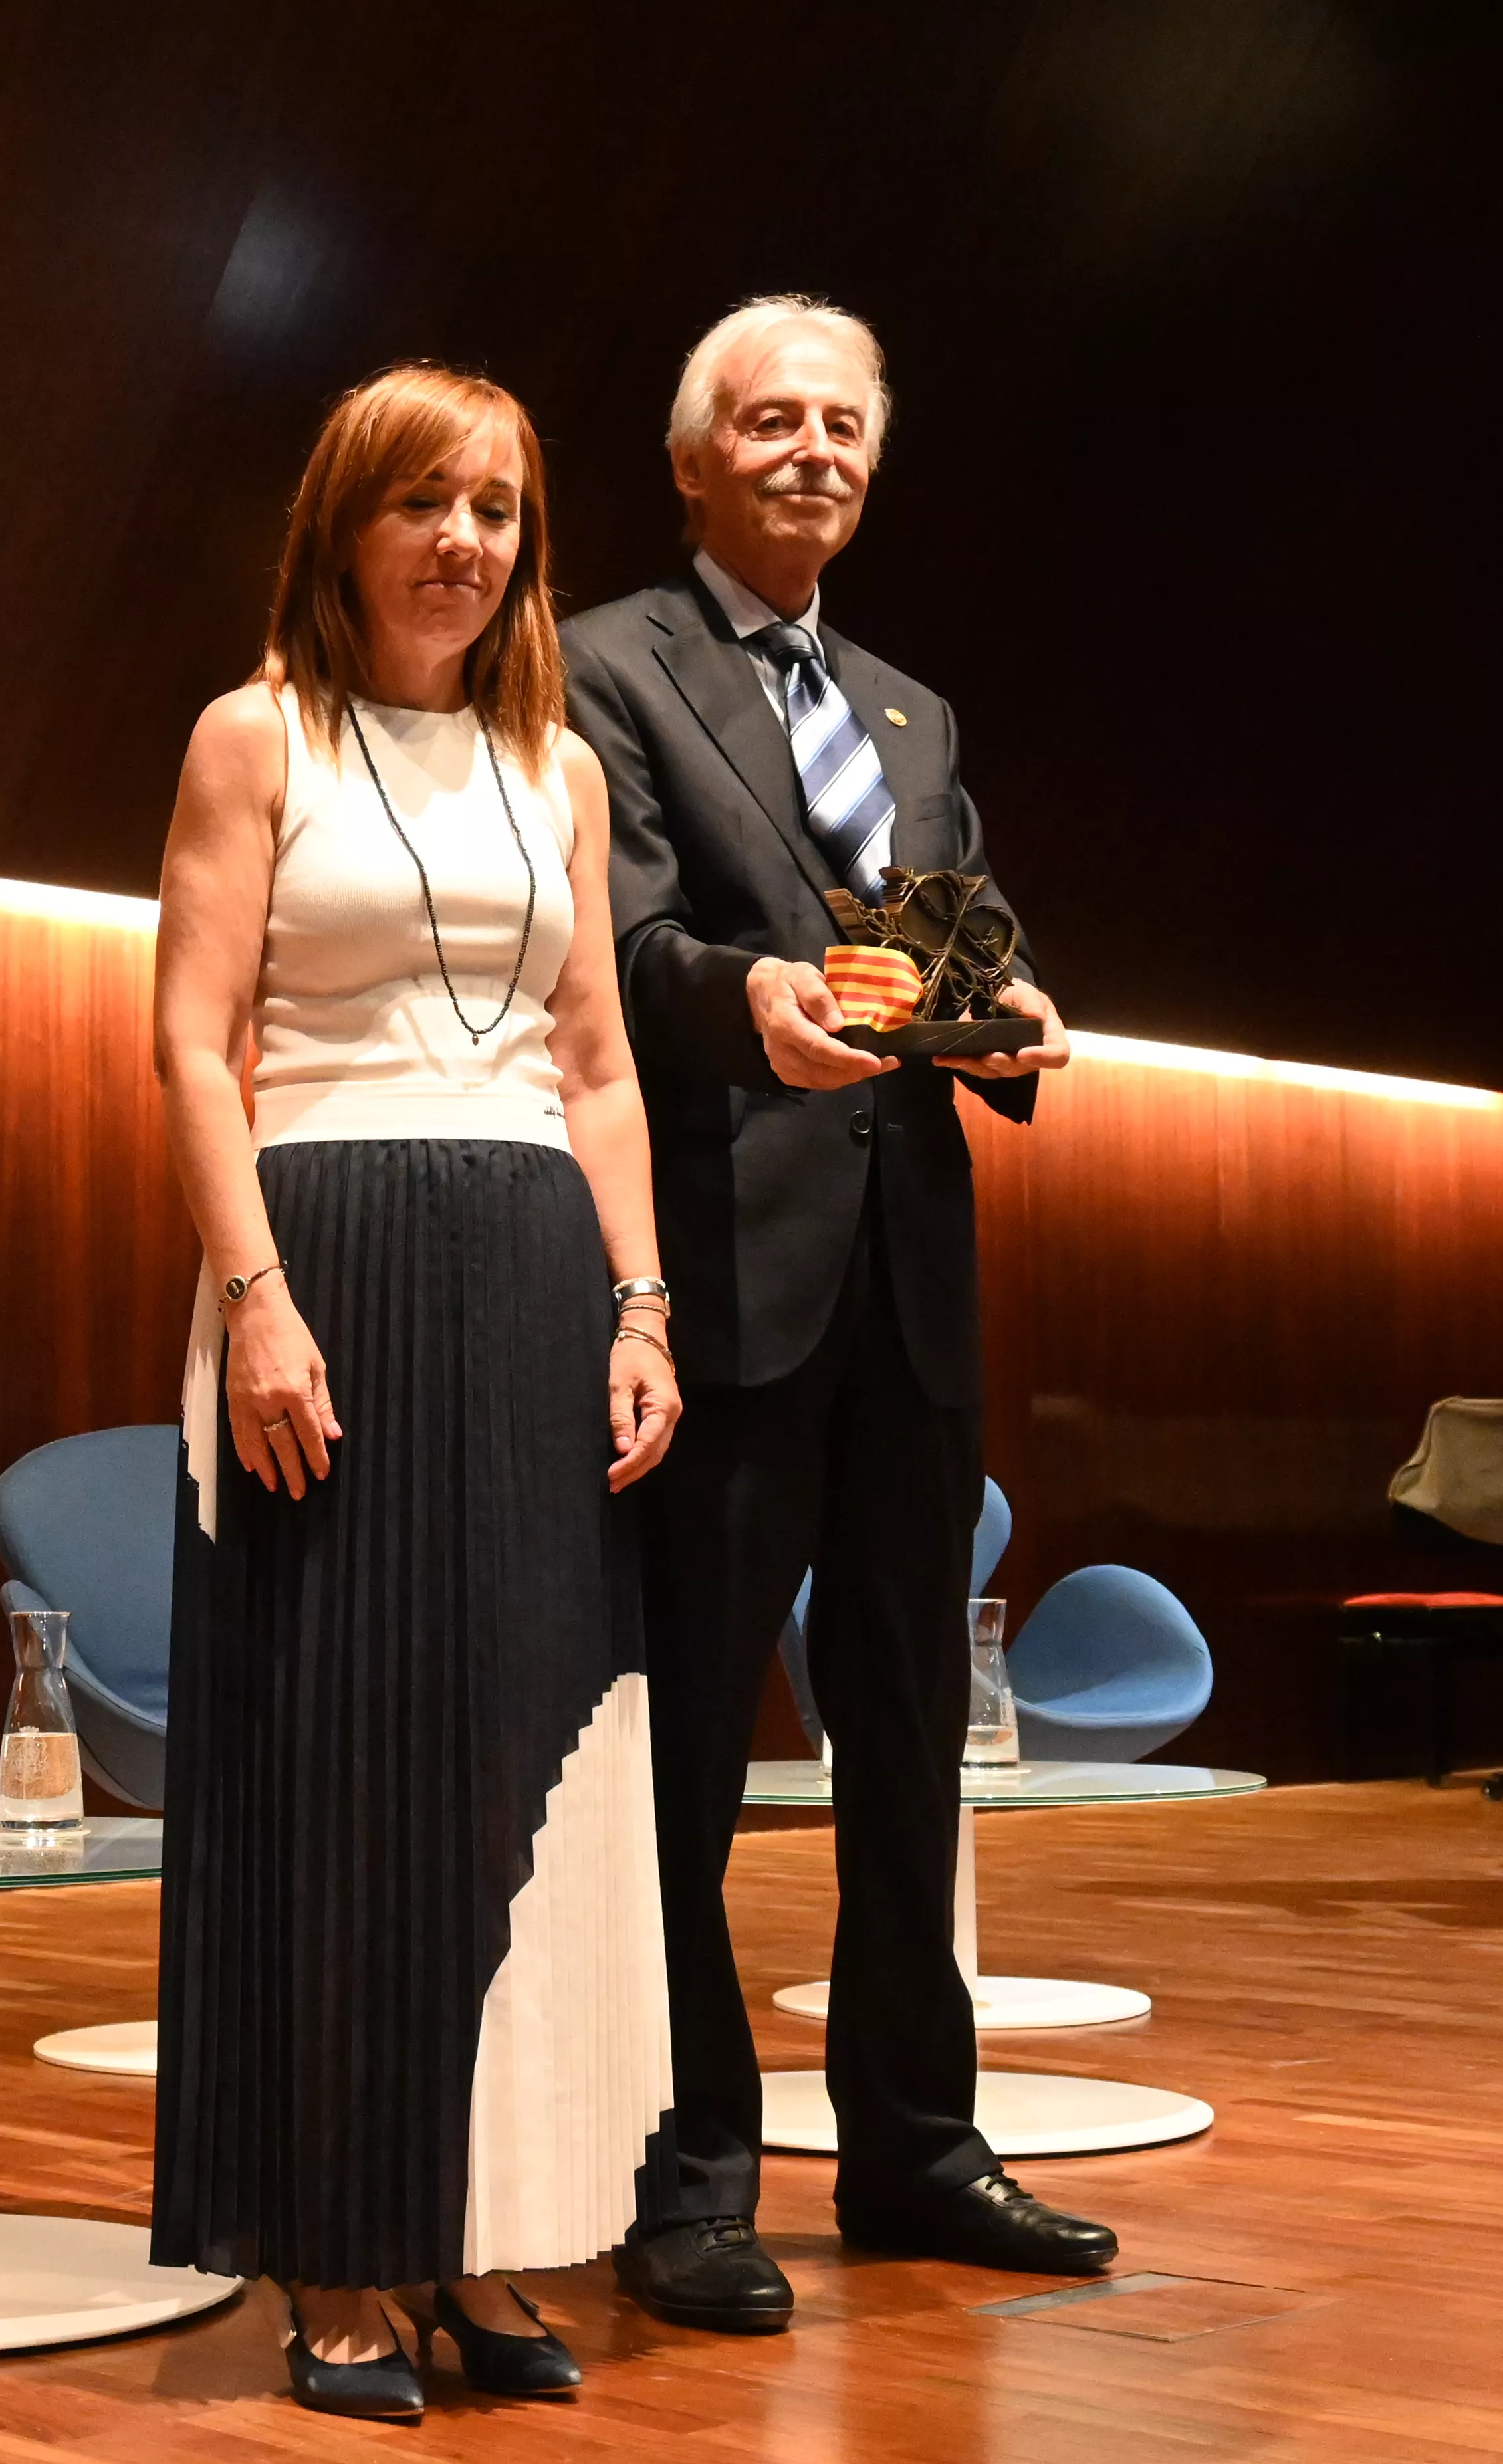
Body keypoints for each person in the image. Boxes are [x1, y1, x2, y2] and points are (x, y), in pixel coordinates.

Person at [561, 294, 1107, 2336]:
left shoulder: (910, 708)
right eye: (768, 420)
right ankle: (680, 2170)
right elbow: (616, 942)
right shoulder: (602, 663)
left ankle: (913, 2148)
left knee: (907, 1741)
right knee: (686, 1749)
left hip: (908, 1279)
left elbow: (954, 933)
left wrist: (1021, 1010)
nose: (811, 450)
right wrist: (743, 1009)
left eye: (841, 425)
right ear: (693, 456)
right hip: (707, 1271)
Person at [148, 363, 683, 2421]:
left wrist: (638, 1309)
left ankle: (480, 2225)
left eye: (496, 505)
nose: (463, 539)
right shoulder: (251, 734)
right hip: (325, 1256)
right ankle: (335, 2243)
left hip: (535, 1265)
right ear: (343, 521)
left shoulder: (556, 767)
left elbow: (597, 1061)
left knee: (513, 1766)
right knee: (334, 1750)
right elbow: (195, 1044)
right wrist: (253, 1299)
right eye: (423, 501)